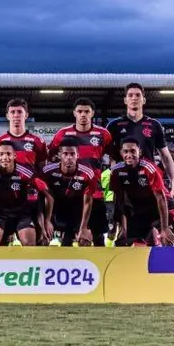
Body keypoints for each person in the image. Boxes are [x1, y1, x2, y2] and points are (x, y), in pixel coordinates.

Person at [49, 98, 113, 246]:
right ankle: (66, 268)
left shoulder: (103, 134)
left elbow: (115, 157)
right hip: (70, 193)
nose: (83, 114)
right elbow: (51, 156)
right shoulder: (63, 133)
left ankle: (101, 267)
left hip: (95, 192)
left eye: (86, 111)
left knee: (98, 236)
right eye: (80, 111)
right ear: (74, 113)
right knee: (67, 236)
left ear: (92, 114)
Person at [0, 98, 48, 243]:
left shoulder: (37, 141)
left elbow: (42, 169)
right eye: (12, 112)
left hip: (30, 201)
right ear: (7, 115)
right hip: (2, 200)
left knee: (36, 242)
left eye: (19, 112)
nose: (16, 115)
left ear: (26, 115)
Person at [0, 141, 53, 246]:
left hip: (21, 215)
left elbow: (49, 196)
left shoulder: (27, 173)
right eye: (1, 154)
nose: (5, 157)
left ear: (14, 155)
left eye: (8, 154)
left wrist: (47, 221)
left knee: (29, 245)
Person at [107, 83, 174, 198]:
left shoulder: (154, 125)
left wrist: (173, 183)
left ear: (144, 100)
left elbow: (166, 157)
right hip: (123, 183)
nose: (134, 98)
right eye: (130, 95)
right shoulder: (114, 125)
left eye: (138, 95)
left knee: (153, 215)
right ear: (125, 100)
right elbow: (107, 155)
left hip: (148, 181)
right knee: (123, 214)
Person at [110, 137, 174, 246]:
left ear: (139, 152)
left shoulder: (149, 168)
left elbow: (161, 198)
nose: (129, 155)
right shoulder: (116, 171)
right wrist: (121, 228)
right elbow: (120, 200)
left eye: (133, 151)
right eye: (126, 151)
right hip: (139, 209)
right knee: (131, 243)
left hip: (163, 207)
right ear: (121, 153)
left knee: (166, 239)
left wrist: (164, 228)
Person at [42, 137, 98, 246]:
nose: (69, 157)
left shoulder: (88, 174)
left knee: (84, 240)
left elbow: (87, 202)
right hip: (55, 209)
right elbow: (45, 198)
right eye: (65, 154)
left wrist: (83, 228)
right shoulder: (47, 171)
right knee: (43, 239)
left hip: (77, 210)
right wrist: (46, 221)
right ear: (59, 155)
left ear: (78, 155)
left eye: (72, 154)